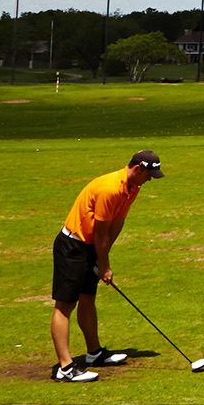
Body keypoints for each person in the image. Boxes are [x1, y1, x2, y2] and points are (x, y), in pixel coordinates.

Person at [50, 149, 163, 382]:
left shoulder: (133, 188)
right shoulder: (110, 188)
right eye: (148, 174)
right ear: (137, 168)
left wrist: (102, 257)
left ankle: (94, 353)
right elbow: (101, 231)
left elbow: (117, 223)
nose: (150, 179)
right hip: (72, 245)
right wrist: (104, 265)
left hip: (90, 246)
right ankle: (65, 367)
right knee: (65, 305)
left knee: (88, 297)